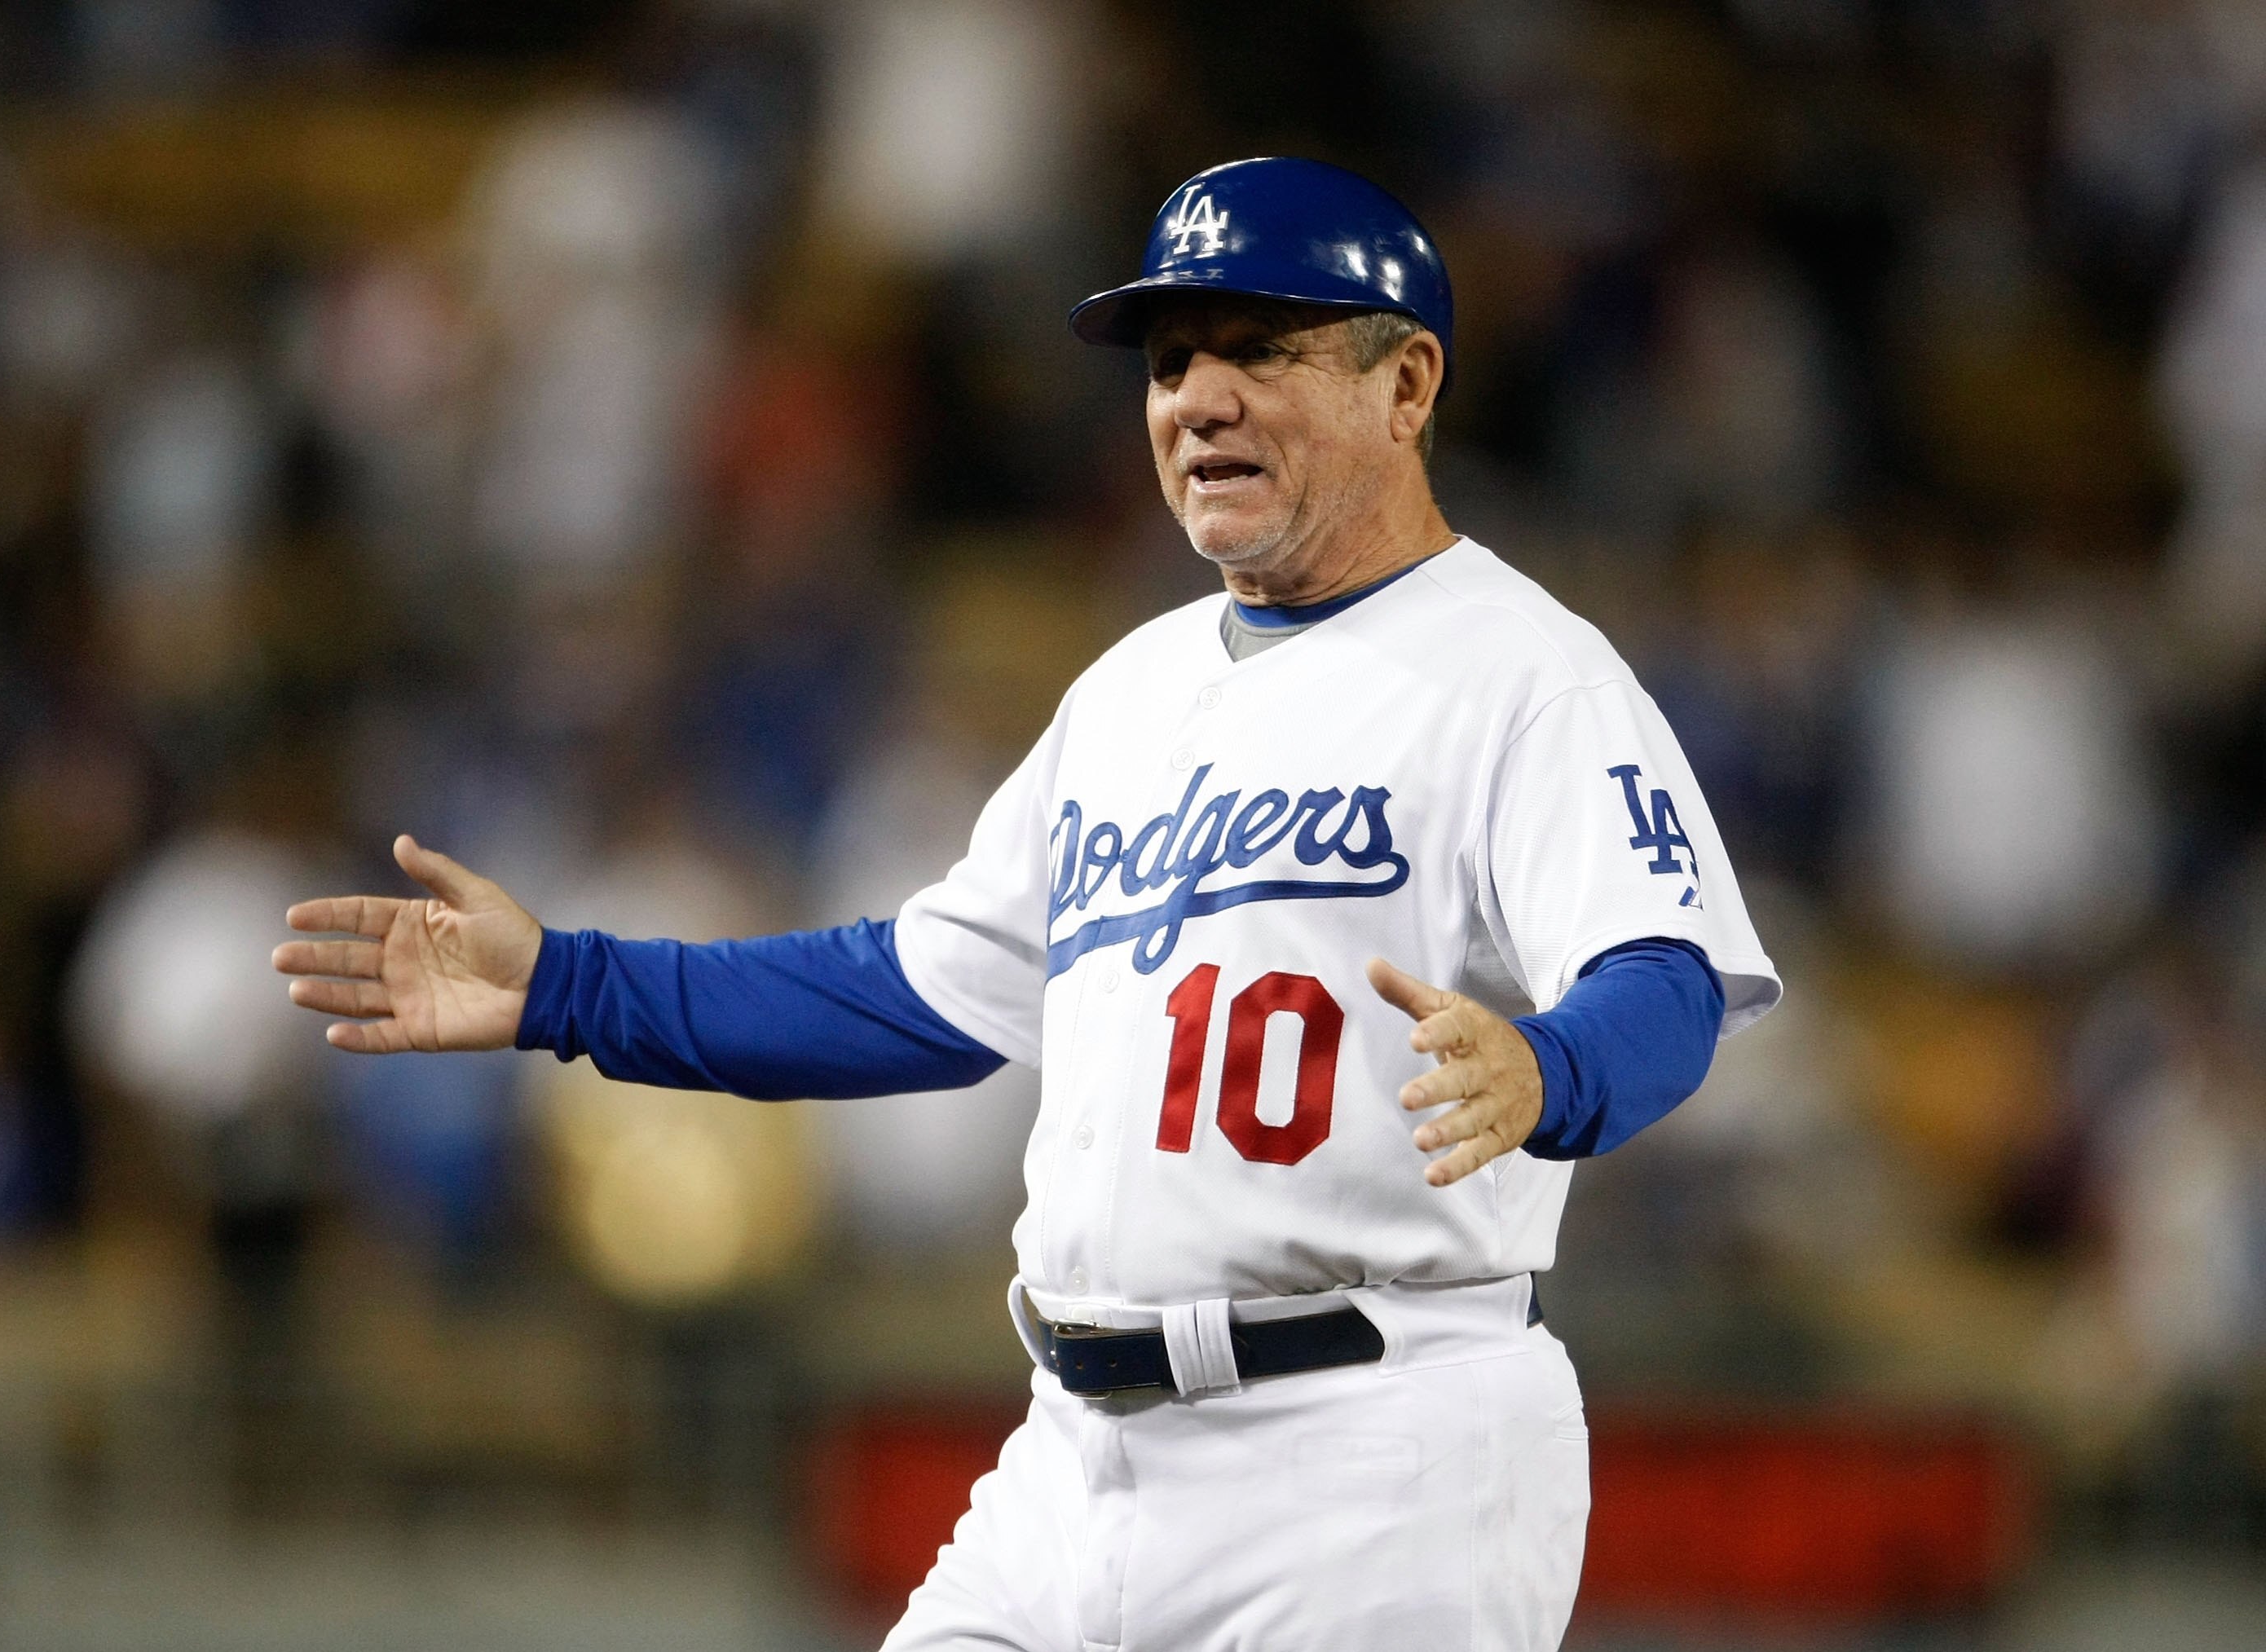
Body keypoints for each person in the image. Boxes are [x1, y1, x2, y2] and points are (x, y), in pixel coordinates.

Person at [273, 156, 1780, 1651]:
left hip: (1373, 1450)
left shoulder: (1524, 672)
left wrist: (1549, 1069)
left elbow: (1666, 978)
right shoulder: (1130, 691)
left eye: (1262, 349)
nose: (1200, 397)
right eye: (1173, 360)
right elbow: (915, 993)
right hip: (1076, 1453)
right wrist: (569, 988)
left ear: (1409, 385)